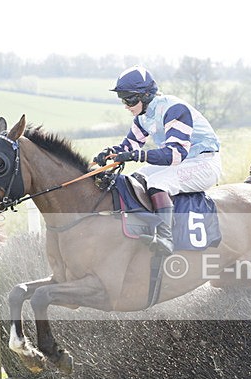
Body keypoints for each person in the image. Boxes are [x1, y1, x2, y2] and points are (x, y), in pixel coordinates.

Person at [94, 66, 221, 255]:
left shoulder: (174, 109)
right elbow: (130, 146)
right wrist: (110, 153)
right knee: (135, 179)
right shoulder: (142, 117)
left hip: (204, 162)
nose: (126, 105)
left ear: (145, 95)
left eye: (129, 98)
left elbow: (175, 154)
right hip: (182, 163)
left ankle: (165, 238)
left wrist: (136, 156)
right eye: (122, 99)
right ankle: (143, 225)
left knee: (157, 182)